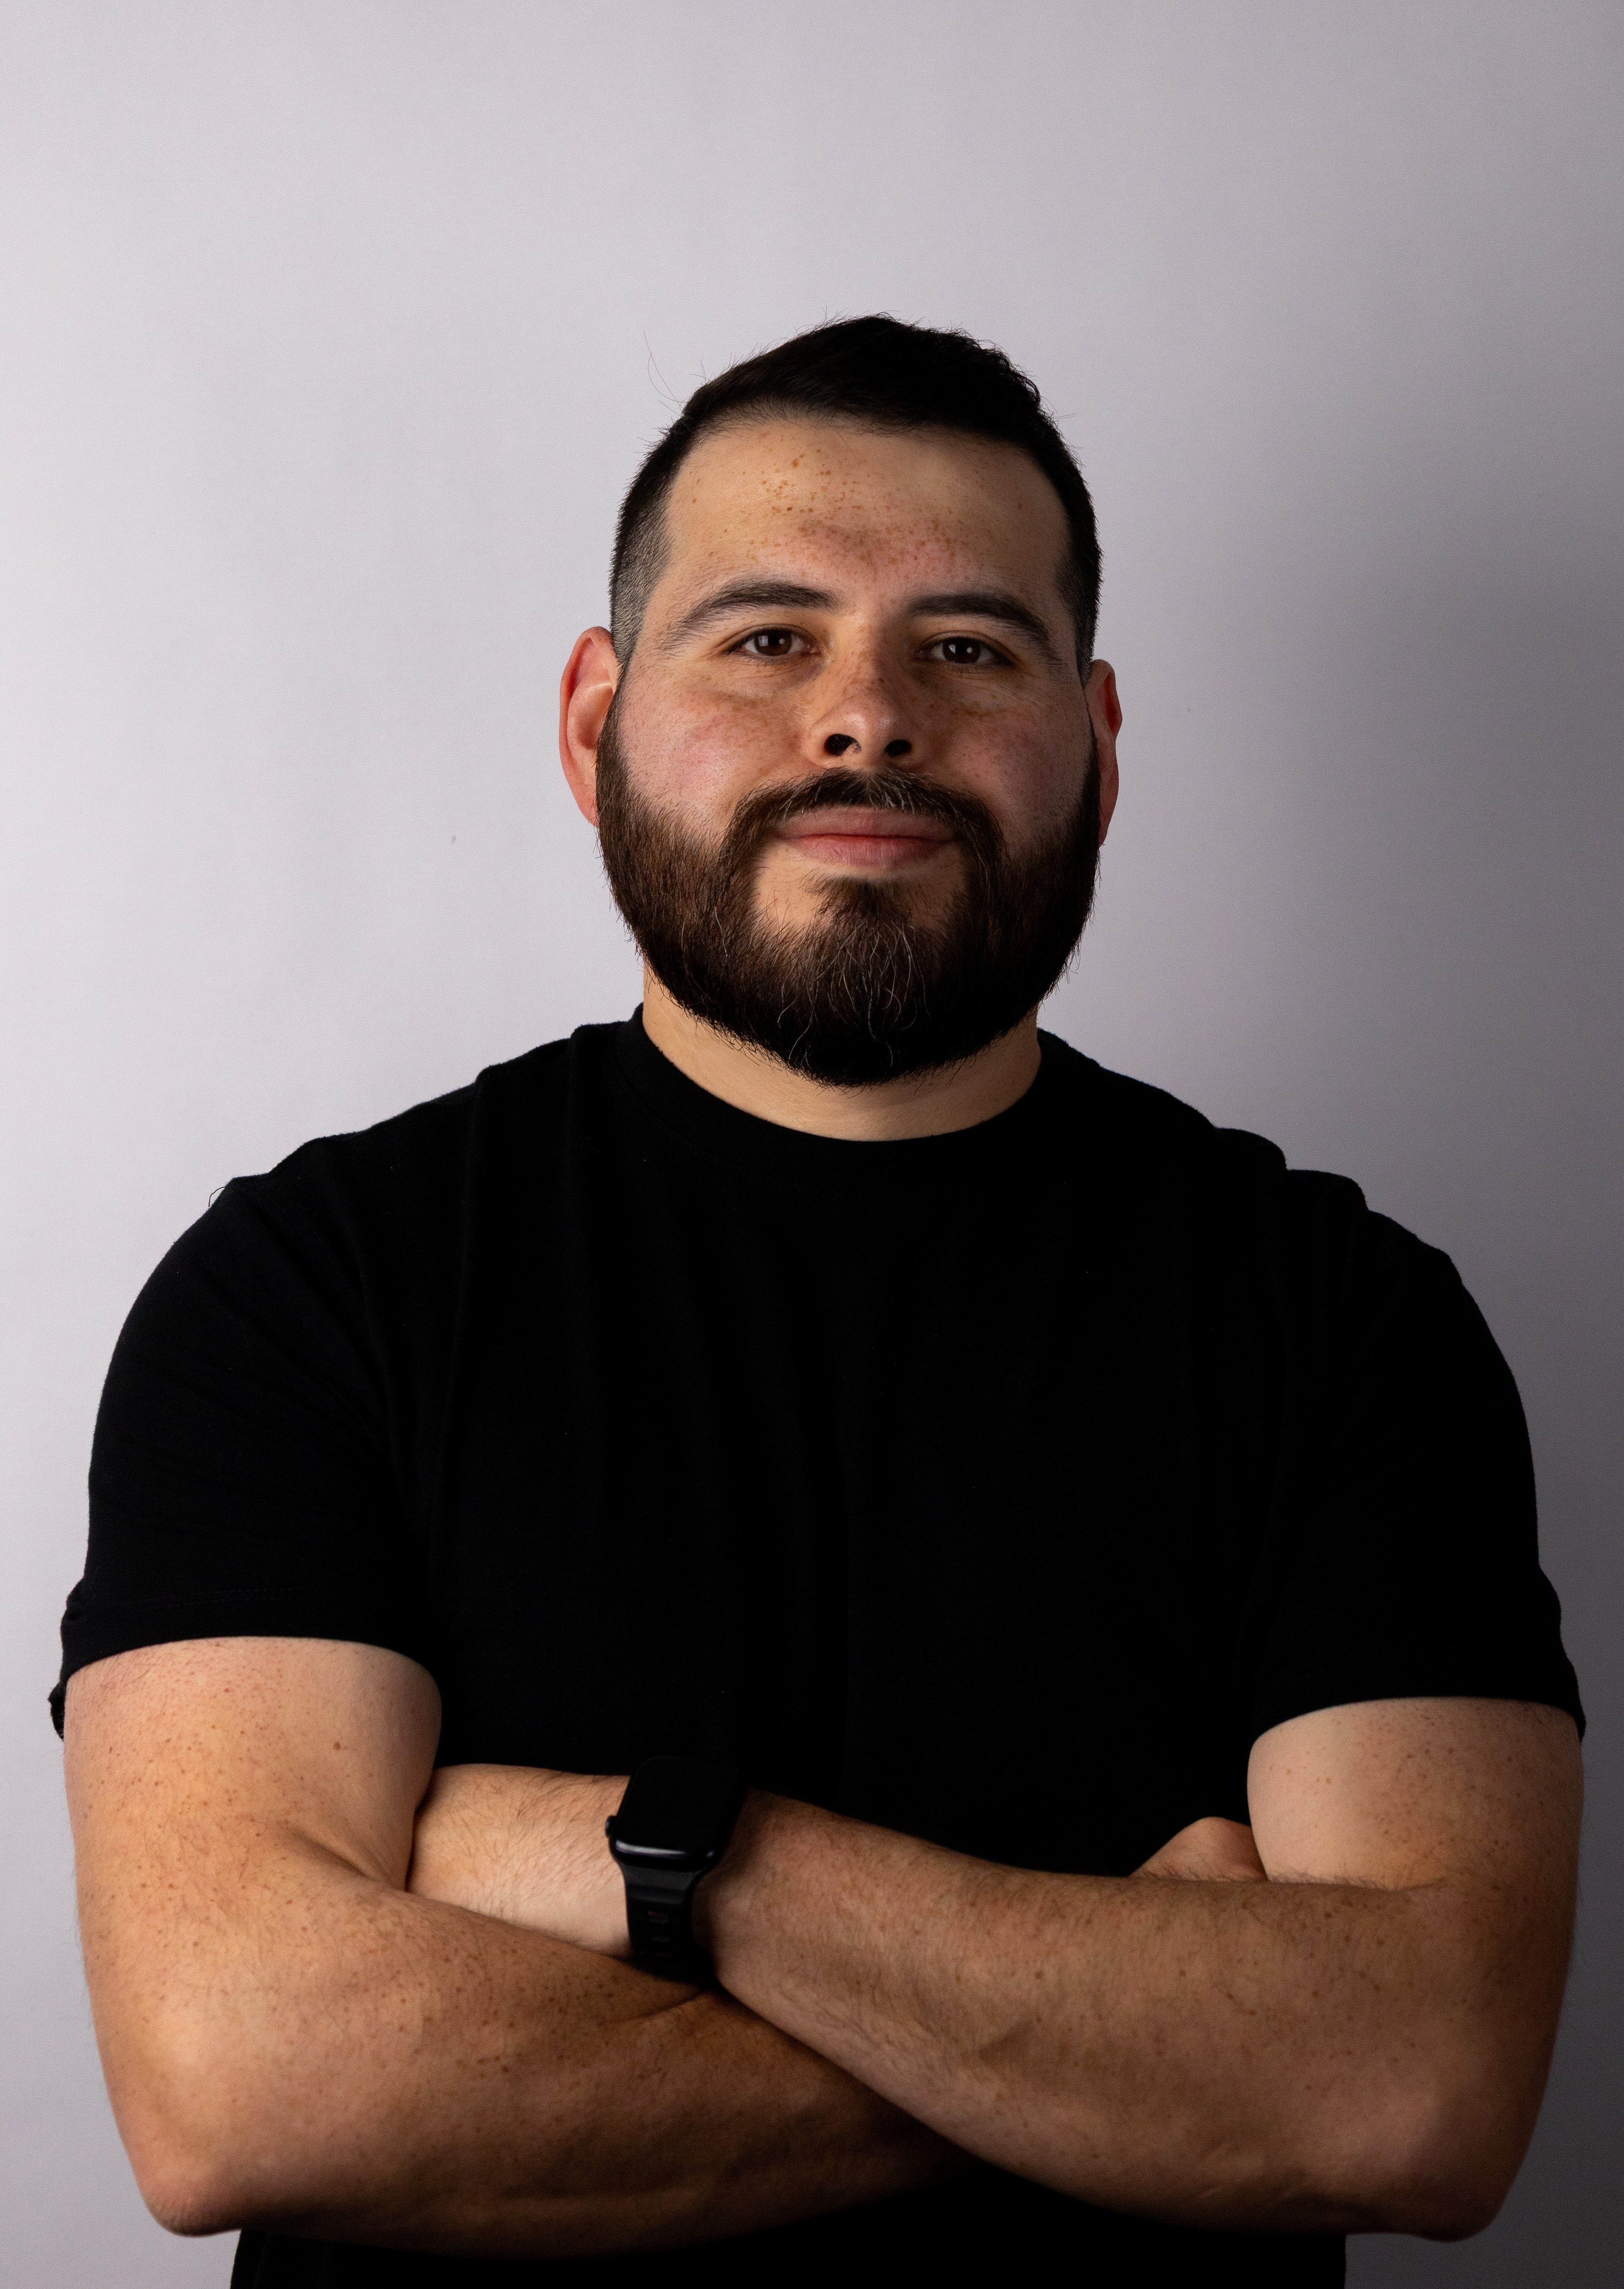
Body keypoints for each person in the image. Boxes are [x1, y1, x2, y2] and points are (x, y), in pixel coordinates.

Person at [56, 317, 1583, 2288]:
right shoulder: (304, 1295)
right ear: (590, 716)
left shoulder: (1348, 1327)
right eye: (766, 638)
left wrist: (672, 1861)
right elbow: (239, 2093)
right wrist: (1140, 2026)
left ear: (1096, 748)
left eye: (965, 648)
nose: (865, 720)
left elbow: (1413, 2094)